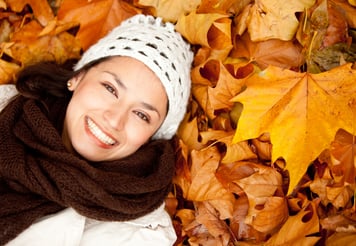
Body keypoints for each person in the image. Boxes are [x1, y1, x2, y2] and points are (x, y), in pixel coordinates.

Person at [0, 14, 193, 245]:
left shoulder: (142, 234)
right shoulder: (6, 109)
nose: (114, 120)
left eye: (142, 115)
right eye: (110, 89)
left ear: (152, 137)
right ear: (78, 78)